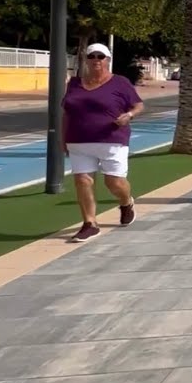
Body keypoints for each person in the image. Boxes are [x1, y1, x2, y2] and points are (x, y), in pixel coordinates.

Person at [61, 43, 143, 242]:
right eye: (92, 56)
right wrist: (62, 138)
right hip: (79, 141)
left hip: (112, 140)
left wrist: (129, 115)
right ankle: (90, 223)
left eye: (101, 56)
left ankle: (126, 202)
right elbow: (66, 113)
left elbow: (138, 104)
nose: (96, 59)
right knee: (82, 181)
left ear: (107, 59)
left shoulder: (120, 82)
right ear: (86, 59)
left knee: (113, 182)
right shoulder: (73, 84)